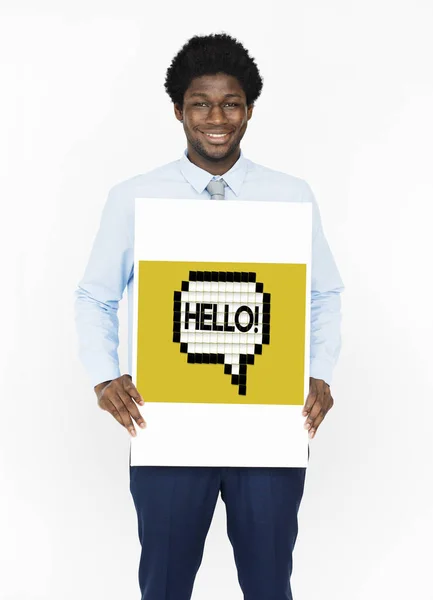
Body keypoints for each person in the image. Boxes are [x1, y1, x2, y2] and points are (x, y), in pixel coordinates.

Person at [74, 32, 344, 600]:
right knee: (166, 584)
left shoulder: (291, 195)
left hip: (268, 425)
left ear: (249, 110)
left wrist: (318, 371)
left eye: (231, 103)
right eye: (201, 103)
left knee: (270, 584)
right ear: (178, 110)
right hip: (169, 427)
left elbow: (322, 293)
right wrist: (104, 376)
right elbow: (96, 295)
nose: (216, 117)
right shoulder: (135, 197)